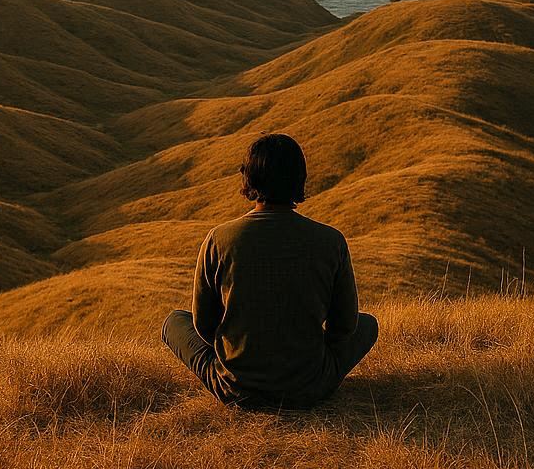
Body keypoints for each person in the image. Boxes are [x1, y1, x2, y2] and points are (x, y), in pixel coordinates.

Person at [162, 133, 378, 409]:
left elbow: (204, 325)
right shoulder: (330, 240)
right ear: (300, 178)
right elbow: (345, 325)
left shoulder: (219, 239)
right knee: (368, 323)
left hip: (235, 388)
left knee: (174, 321)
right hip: (309, 386)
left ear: (248, 178)